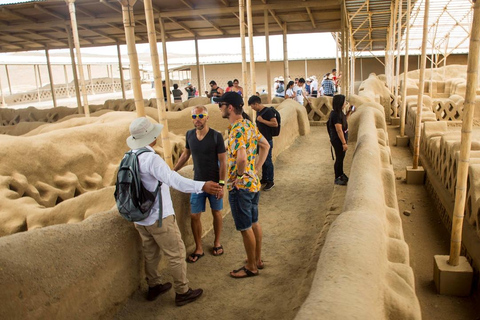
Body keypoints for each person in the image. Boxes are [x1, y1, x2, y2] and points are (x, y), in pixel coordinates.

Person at [124, 117, 222, 305]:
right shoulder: (151, 159)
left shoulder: (129, 156)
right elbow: (174, 180)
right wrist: (202, 186)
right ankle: (182, 292)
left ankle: (154, 286)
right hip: (159, 217)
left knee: (151, 253)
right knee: (176, 254)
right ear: (150, 137)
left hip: (139, 218)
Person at [214, 92, 270, 278]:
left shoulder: (237, 129)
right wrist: (255, 170)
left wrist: (239, 176)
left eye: (221, 105)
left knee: (245, 227)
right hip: (253, 184)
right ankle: (257, 259)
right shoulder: (248, 124)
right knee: (254, 222)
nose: (219, 108)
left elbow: (242, 157)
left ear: (229, 107)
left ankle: (251, 267)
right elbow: (265, 146)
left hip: (241, 187)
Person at [174, 106, 227, 263]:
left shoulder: (216, 136)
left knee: (216, 212)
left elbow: (223, 161)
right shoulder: (189, 135)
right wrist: (174, 170)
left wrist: (222, 184)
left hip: (215, 182)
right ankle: (199, 247)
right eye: (194, 116)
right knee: (194, 215)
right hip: (197, 183)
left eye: (201, 115)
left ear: (207, 117)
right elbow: (186, 154)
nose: (197, 119)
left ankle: (217, 242)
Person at [248, 95, 277, 191]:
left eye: (252, 106)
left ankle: (270, 181)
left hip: (267, 140)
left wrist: (262, 120)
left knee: (268, 160)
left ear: (256, 104)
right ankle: (265, 178)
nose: (252, 108)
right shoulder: (258, 112)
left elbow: (275, 123)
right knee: (263, 160)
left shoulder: (268, 111)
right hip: (261, 140)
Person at [327, 94, 354, 186]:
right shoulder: (335, 114)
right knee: (339, 158)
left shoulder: (339, 112)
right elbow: (339, 130)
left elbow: (343, 121)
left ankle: (340, 174)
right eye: (344, 101)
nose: (345, 103)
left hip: (339, 139)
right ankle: (337, 177)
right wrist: (344, 143)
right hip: (338, 140)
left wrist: (349, 112)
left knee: (341, 157)